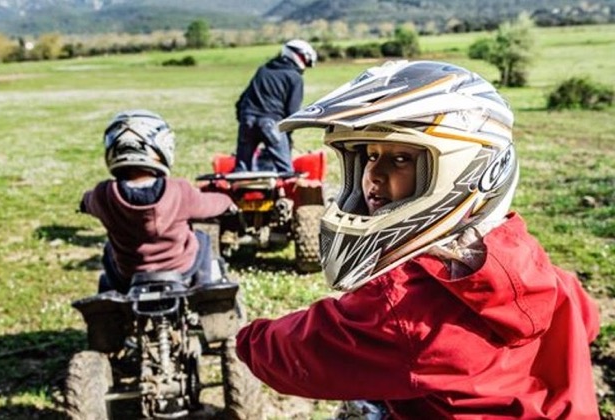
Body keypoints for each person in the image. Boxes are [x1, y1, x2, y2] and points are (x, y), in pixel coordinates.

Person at [235, 61, 600, 418]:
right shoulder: (529, 261)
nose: (373, 175)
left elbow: (299, 355)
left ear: (466, 169)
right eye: (370, 155)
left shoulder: (403, 307)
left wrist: (247, 338)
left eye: (400, 159)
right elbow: (588, 320)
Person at [80, 109, 235, 293]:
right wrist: (227, 200)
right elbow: (209, 205)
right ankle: (206, 287)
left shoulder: (102, 195)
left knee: (109, 249)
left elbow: (87, 202)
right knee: (202, 238)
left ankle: (115, 300)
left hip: (129, 275)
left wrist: (84, 205)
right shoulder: (180, 191)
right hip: (181, 270)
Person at [233, 39, 317, 173]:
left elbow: (241, 101)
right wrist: (287, 138)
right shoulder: (295, 77)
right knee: (286, 172)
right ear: (299, 56)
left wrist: (245, 121)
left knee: (240, 172)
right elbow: (292, 112)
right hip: (271, 125)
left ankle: (237, 193)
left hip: (247, 120)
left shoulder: (263, 70)